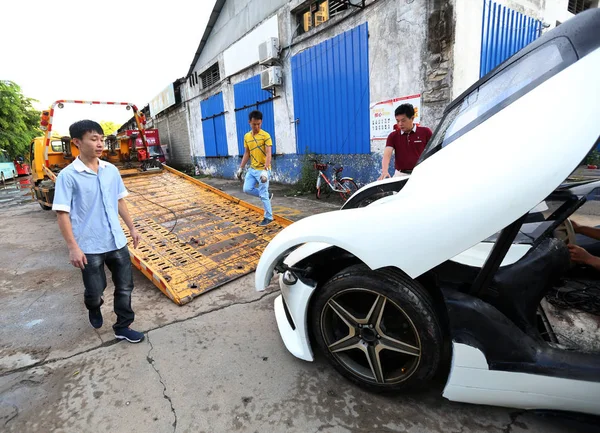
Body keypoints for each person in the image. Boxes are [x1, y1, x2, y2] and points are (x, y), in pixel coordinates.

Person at [52, 120, 144, 343]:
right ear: (77, 142)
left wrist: (131, 228)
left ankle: (123, 326)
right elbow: (62, 214)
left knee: (125, 287)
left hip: (117, 241)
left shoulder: (111, 170)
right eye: (93, 139)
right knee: (95, 291)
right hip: (89, 246)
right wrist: (73, 247)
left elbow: (120, 200)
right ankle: (93, 306)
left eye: (101, 139)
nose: (100, 144)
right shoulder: (68, 176)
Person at [237, 110, 274, 226]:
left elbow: (269, 153)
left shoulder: (266, 135)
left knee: (262, 192)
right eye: (254, 124)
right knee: (247, 189)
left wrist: (265, 170)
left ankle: (268, 217)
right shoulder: (247, 136)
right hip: (252, 169)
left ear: (261, 122)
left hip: (264, 170)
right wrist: (241, 168)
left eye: (259, 124)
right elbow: (247, 153)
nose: (257, 126)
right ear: (249, 122)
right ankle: (267, 195)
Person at [378, 103, 433, 180]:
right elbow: (387, 154)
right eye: (397, 121)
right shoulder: (393, 136)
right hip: (401, 174)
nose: (400, 124)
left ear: (412, 118)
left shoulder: (425, 132)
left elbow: (433, 151)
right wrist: (384, 171)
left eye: (403, 120)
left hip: (421, 173)